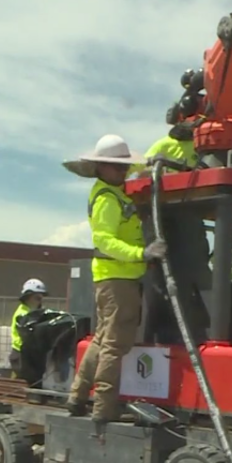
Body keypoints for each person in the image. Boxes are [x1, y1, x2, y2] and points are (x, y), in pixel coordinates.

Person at [64, 134, 167, 423]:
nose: (123, 171)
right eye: (116, 167)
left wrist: (153, 163)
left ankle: (77, 396)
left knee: (102, 340)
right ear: (101, 168)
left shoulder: (115, 188)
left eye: (124, 167)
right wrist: (142, 253)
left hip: (116, 277)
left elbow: (138, 169)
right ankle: (103, 408)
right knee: (115, 343)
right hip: (117, 277)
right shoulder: (107, 199)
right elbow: (105, 241)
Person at [9, 278, 47, 378]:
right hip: (21, 355)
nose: (40, 301)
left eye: (41, 298)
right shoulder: (23, 315)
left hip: (30, 354)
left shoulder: (34, 312)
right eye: (37, 298)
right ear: (27, 297)